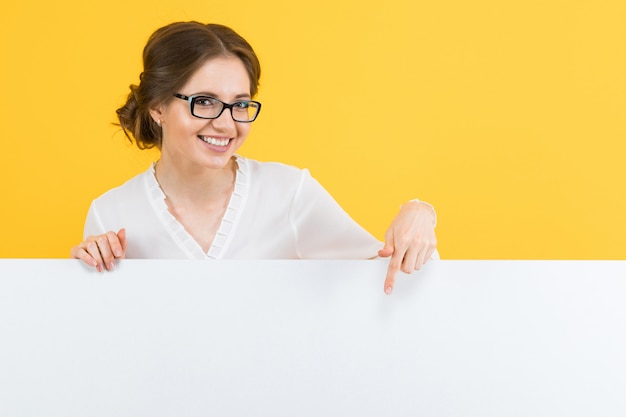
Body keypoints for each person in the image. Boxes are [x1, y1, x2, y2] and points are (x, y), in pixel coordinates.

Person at [70, 21, 438, 294]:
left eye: (240, 104)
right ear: (158, 108)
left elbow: (389, 279)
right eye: (205, 102)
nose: (227, 123)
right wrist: (82, 273)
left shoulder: (289, 193)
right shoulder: (111, 213)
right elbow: (100, 332)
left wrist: (419, 214)